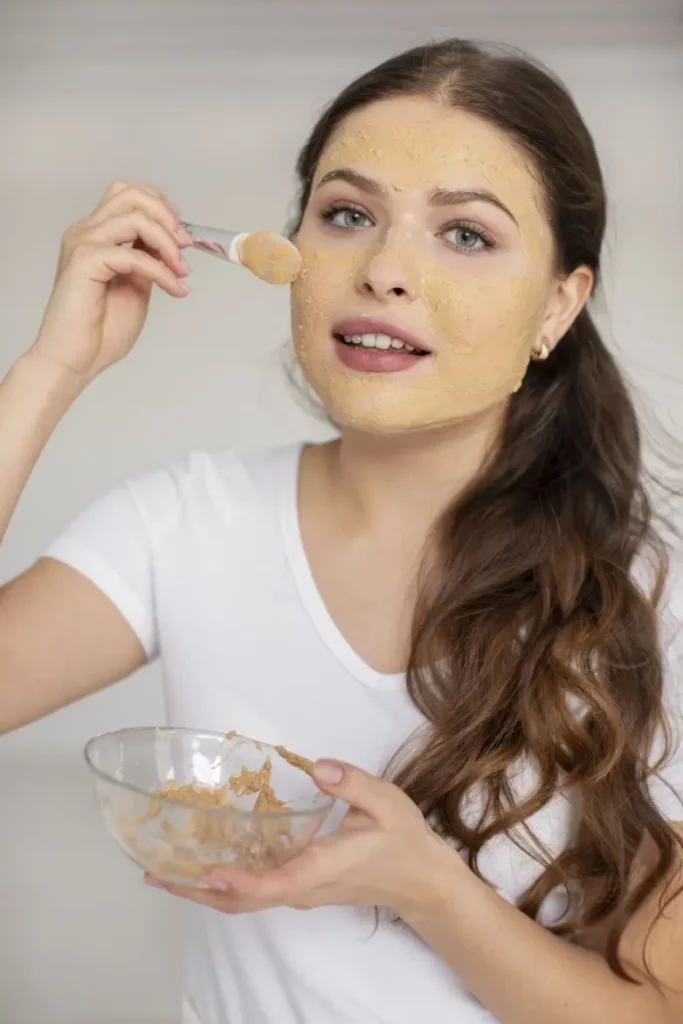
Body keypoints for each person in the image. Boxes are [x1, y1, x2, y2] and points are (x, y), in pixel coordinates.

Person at [0, 37, 681, 1024]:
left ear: (557, 305)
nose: (385, 271)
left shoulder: (644, 598)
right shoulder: (184, 525)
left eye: (464, 235)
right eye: (348, 216)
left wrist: (426, 888)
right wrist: (50, 368)